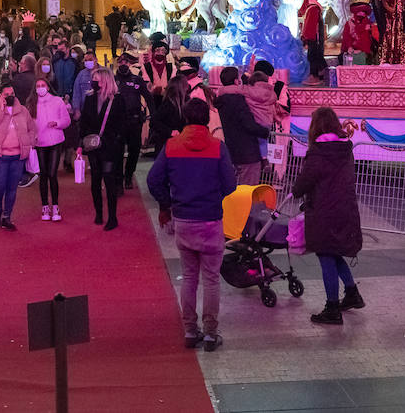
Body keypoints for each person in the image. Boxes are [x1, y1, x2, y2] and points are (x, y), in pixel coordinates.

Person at [147, 98, 236, 352]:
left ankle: (189, 329)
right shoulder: (218, 148)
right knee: (211, 279)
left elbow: (154, 180)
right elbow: (230, 185)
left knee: (189, 277)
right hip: (210, 220)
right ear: (207, 120)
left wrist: (168, 203)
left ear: (184, 118)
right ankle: (210, 333)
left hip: (184, 220)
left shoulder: (172, 146)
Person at [291, 107, 364, 325]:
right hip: (345, 210)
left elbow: (303, 183)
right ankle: (351, 292)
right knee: (334, 252)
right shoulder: (345, 149)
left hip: (324, 211)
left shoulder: (318, 153)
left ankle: (332, 307)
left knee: (325, 255)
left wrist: (296, 190)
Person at [78, 66, 134, 230]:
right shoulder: (89, 98)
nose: (93, 83)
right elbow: (84, 123)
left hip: (110, 146)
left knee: (109, 180)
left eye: (96, 80)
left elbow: (123, 123)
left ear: (104, 81)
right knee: (95, 180)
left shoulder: (117, 100)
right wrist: (81, 144)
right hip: (93, 145)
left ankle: (112, 217)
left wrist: (116, 141)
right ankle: (99, 213)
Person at [0, 84, 36, 230]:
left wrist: (29, 142)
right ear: (0, 95)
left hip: (18, 157)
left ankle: (7, 216)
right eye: (6, 94)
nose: (10, 96)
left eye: (12, 93)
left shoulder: (23, 111)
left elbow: (32, 129)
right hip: (0, 157)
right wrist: (1, 109)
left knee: (12, 189)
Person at [215, 66, 270, 185]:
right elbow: (248, 124)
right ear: (236, 81)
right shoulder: (239, 100)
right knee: (248, 192)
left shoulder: (220, 100)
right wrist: (264, 132)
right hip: (247, 153)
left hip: (230, 151)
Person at [30, 78, 72, 221]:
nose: (40, 88)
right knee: (43, 174)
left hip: (55, 141)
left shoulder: (57, 101)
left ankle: (55, 205)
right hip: (40, 143)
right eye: (38, 86)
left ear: (48, 87)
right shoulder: (31, 104)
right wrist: (32, 137)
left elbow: (67, 121)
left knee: (52, 174)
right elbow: (29, 125)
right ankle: (44, 206)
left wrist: (57, 123)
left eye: (43, 85)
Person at [114, 54, 150, 189]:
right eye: (121, 61)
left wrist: (154, 114)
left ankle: (128, 175)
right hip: (117, 122)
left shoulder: (137, 79)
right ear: (117, 64)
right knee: (117, 152)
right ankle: (118, 179)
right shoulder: (112, 80)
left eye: (126, 62)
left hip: (134, 120)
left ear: (129, 64)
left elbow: (148, 97)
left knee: (134, 151)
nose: (123, 63)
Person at [298, 0, 328, 84]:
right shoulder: (312, 7)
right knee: (316, 56)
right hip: (313, 36)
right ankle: (321, 74)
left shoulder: (313, 8)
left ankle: (314, 76)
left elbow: (310, 25)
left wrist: (305, 37)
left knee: (313, 56)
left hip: (313, 37)